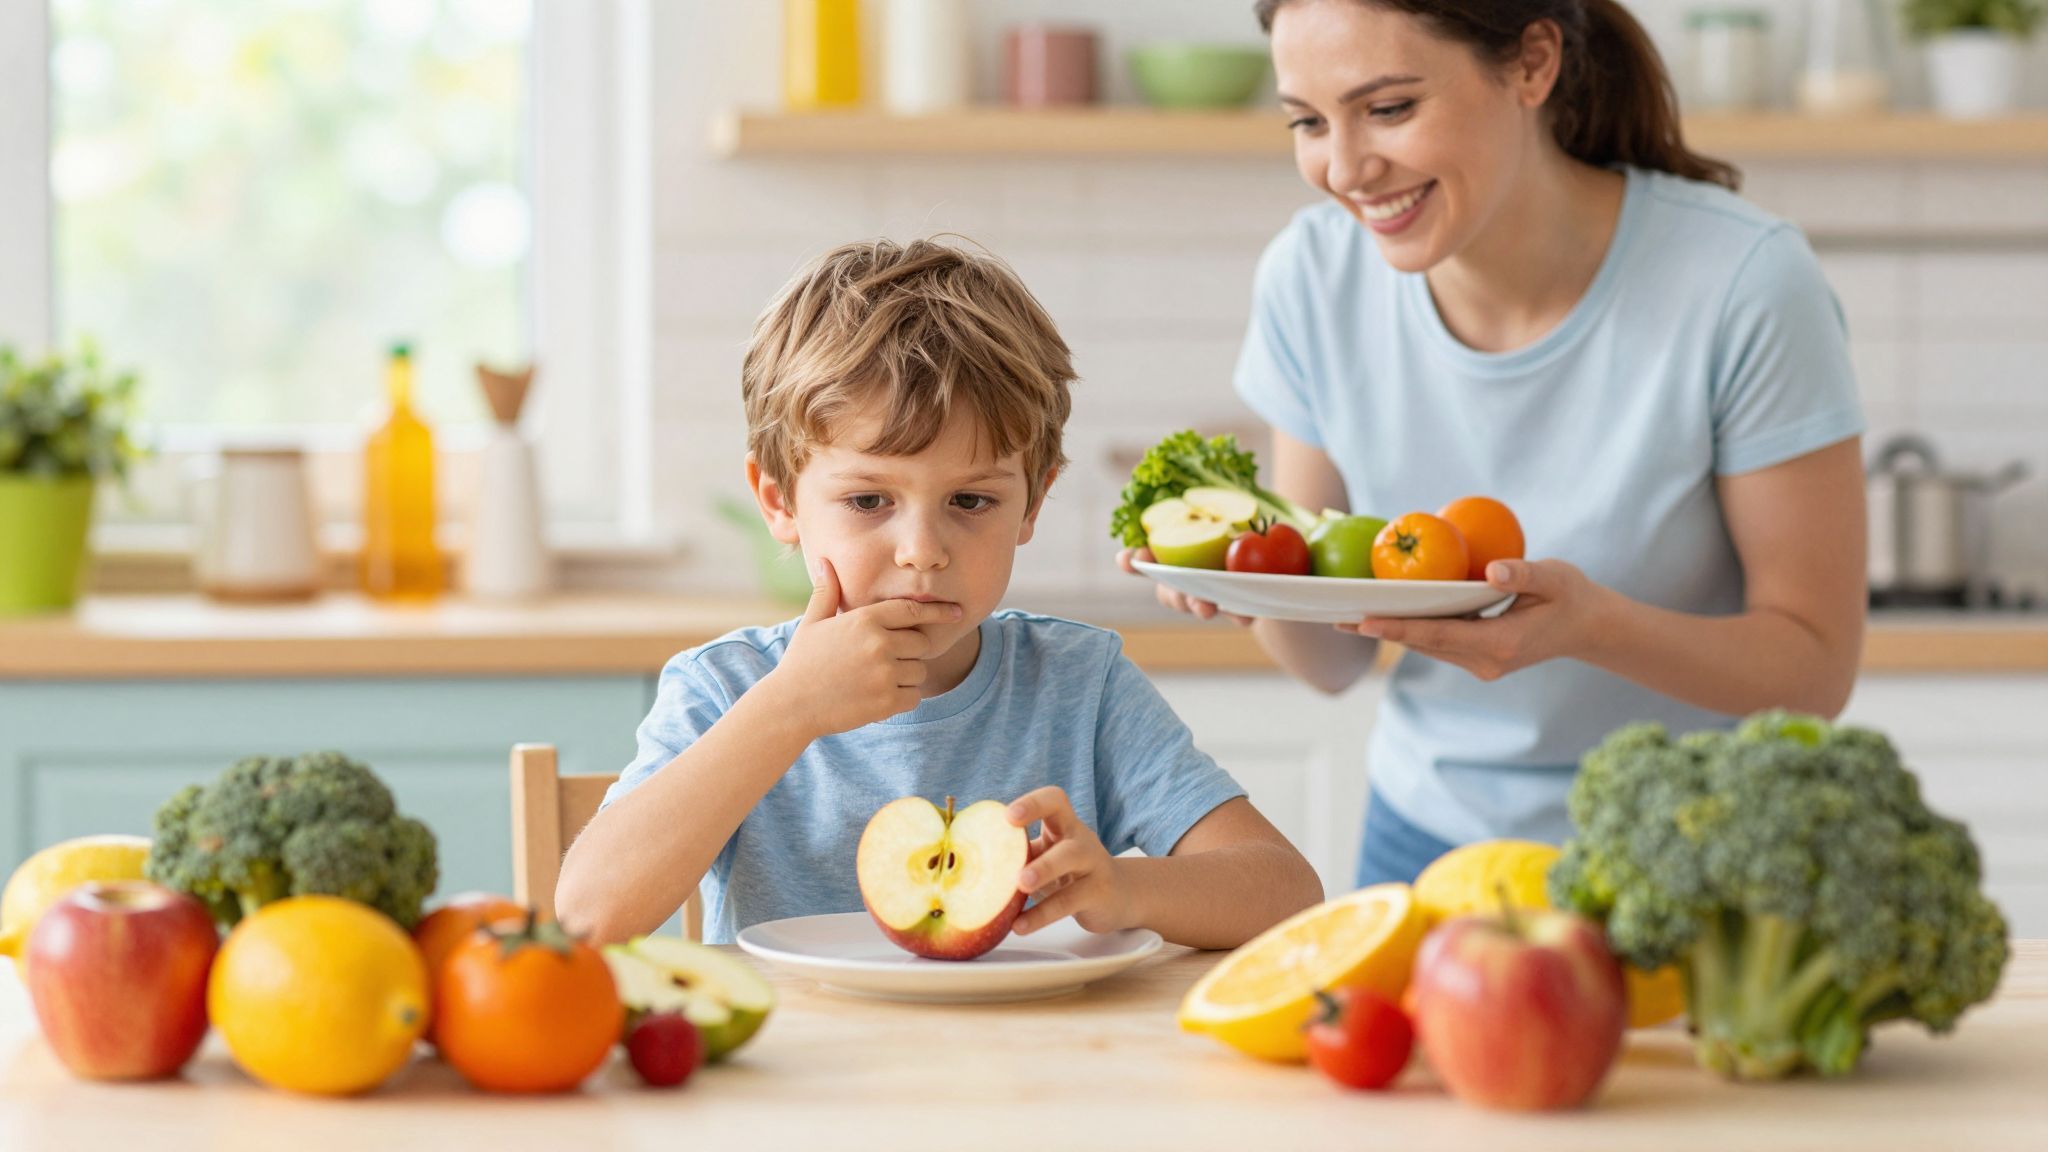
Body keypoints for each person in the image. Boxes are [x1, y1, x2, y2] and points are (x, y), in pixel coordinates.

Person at [1123, 0, 1867, 887]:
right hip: (1430, 844)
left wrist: (1592, 627)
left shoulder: (1742, 282)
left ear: (1531, 64)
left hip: (1695, 853)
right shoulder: (1313, 278)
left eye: (1390, 108)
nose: (1346, 167)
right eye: (1309, 122)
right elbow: (1335, 664)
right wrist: (1253, 589)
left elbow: (1813, 668)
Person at [558, 238, 1324, 946]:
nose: (923, 553)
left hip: (1031, 1080)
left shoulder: (1079, 686)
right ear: (779, 502)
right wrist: (788, 708)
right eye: (868, 502)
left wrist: (1125, 887)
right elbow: (589, 915)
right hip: (797, 1083)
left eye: (971, 502)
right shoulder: (728, 688)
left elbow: (1288, 895)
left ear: (1033, 501)